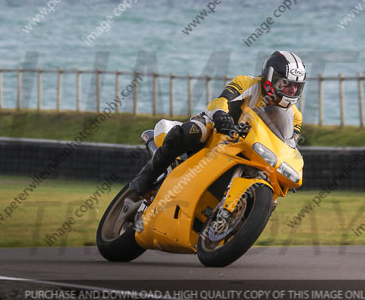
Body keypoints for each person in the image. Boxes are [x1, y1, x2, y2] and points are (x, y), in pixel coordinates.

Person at [128, 50, 306, 199]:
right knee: (191, 131)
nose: (292, 90)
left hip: (254, 149)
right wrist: (222, 116)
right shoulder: (247, 83)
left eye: (296, 87)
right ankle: (146, 177)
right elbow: (222, 100)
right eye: (286, 84)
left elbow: (288, 145)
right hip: (219, 130)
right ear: (270, 77)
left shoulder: (295, 116)